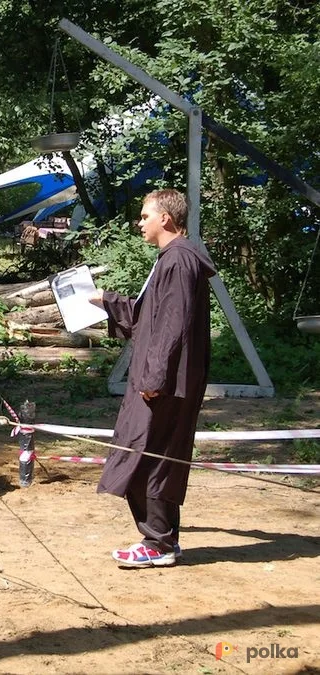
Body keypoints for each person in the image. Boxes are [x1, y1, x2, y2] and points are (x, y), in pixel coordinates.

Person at [88, 189, 216, 568]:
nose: (140, 223)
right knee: (150, 453)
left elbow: (172, 326)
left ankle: (157, 543)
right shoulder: (170, 260)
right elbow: (150, 317)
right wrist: (105, 301)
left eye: (145, 216)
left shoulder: (179, 260)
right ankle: (162, 541)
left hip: (163, 382)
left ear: (166, 219)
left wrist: (154, 376)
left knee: (149, 455)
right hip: (160, 378)